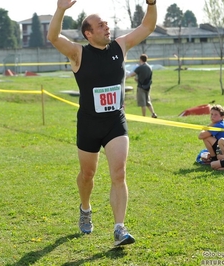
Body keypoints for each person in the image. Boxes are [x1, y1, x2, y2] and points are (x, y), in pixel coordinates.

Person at [47, 0, 157, 246]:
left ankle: (119, 228)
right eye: (101, 25)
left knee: (119, 172)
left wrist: (151, 3)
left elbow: (148, 26)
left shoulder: (121, 46)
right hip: (88, 124)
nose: (107, 28)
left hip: (115, 122)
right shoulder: (78, 53)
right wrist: (61, 9)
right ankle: (85, 208)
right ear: (88, 33)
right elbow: (53, 37)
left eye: (107, 24)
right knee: (88, 174)